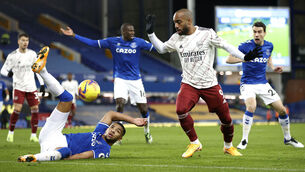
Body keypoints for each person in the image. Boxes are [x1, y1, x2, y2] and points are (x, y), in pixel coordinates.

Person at [145, 9, 262, 158]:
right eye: (174, 22)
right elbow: (161, 49)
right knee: (181, 110)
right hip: (189, 84)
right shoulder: (176, 38)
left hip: (210, 84)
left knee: (226, 120)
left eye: (178, 22)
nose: (176, 25)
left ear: (188, 21)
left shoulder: (207, 33)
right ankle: (195, 142)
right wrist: (150, 33)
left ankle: (228, 146)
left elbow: (226, 46)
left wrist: (245, 57)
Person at [18, 50, 147, 162]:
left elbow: (83, 155)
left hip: (55, 149)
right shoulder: (99, 132)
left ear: (120, 139)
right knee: (67, 98)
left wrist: (67, 159)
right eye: (112, 127)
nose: (113, 130)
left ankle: (34, 157)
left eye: (117, 131)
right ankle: (42, 70)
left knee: (66, 151)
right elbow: (111, 114)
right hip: (52, 133)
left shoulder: (104, 150)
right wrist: (133, 120)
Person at [60, 23, 154, 143]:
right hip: (120, 78)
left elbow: (158, 48)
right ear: (123, 32)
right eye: (129, 31)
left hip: (136, 80)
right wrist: (74, 35)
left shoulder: (139, 42)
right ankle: (117, 136)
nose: (132, 33)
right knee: (120, 103)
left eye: (133, 31)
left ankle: (147, 132)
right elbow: (93, 43)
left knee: (144, 110)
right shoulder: (113, 42)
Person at [226, 21, 304, 149]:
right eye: (254, 32)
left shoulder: (269, 46)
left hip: (263, 84)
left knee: (282, 110)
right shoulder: (245, 46)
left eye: (259, 32)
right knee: (251, 106)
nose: (256, 34)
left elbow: (268, 56)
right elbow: (228, 59)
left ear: (264, 33)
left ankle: (288, 138)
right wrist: (245, 58)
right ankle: (244, 141)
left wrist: (273, 67)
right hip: (247, 83)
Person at [0, 33, 46, 142]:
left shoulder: (32, 54)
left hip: (31, 86)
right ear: (18, 42)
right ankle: (10, 133)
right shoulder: (13, 55)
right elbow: (2, 70)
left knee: (35, 109)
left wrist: (42, 84)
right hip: (19, 86)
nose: (25, 42)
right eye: (23, 40)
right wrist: (9, 74)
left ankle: (33, 135)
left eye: (27, 40)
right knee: (17, 109)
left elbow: (37, 70)